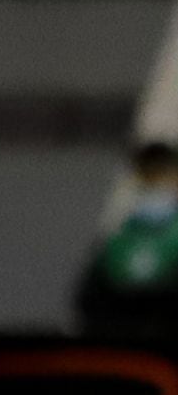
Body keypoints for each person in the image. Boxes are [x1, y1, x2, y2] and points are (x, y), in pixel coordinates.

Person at [76, 139, 178, 340]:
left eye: (164, 174)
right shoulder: (116, 242)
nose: (156, 183)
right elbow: (88, 303)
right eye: (148, 175)